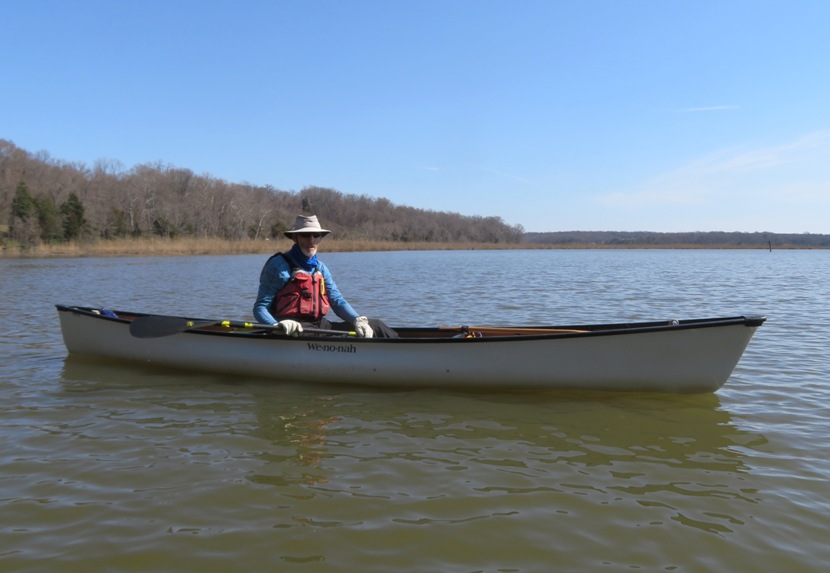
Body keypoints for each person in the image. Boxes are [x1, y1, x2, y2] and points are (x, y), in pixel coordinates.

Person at [253, 215, 398, 338]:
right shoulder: (278, 266)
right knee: (340, 337)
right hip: (291, 328)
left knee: (376, 326)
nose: (311, 240)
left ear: (320, 238)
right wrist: (275, 325)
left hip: (319, 324)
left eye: (316, 235)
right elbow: (260, 308)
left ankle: (404, 351)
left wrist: (357, 320)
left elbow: (337, 301)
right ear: (295, 238)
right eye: (305, 235)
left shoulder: (321, 268)